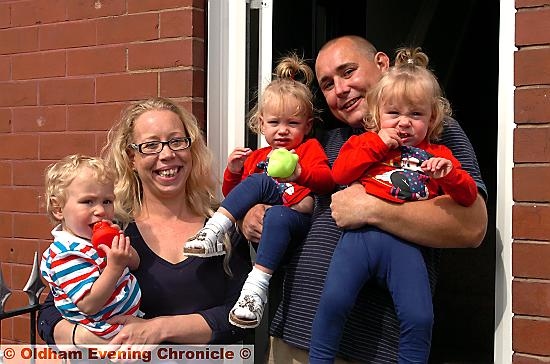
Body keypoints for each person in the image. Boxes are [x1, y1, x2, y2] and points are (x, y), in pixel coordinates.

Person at [240, 36, 487, 362]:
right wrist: (251, 216)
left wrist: (372, 208)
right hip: (292, 335)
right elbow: (288, 196)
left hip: (369, 348)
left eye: (348, 72)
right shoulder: (323, 141)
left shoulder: (432, 131)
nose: (340, 89)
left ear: (382, 64)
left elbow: (473, 226)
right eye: (328, 84)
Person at [308, 47, 478, 363]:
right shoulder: (363, 141)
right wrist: (377, 143)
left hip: (405, 247)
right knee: (332, 304)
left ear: (432, 118)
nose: (403, 123)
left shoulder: (440, 152)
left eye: (415, 115)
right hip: (358, 243)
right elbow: (341, 173)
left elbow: (469, 201)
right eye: (393, 114)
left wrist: (450, 174)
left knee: (419, 318)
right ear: (377, 116)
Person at [38, 97, 251, 347]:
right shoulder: (110, 226)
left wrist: (159, 329)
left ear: (190, 149)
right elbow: (51, 311)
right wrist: (83, 337)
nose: (167, 154)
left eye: (176, 141)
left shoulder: (222, 225)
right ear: (131, 158)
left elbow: (242, 315)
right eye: (151, 145)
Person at [183, 54, 334, 329]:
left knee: (263, 184)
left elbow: (326, 180)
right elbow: (235, 195)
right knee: (264, 198)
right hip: (274, 227)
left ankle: (216, 229)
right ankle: (255, 290)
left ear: (308, 126)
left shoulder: (308, 150)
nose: (283, 131)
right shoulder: (258, 156)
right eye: (275, 123)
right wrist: (233, 170)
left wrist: (300, 173)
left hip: (299, 217)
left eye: (293, 124)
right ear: (261, 123)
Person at [40, 154, 142, 340]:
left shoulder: (93, 240)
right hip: (104, 334)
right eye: (88, 201)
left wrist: (119, 245)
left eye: (107, 201)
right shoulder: (67, 255)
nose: (101, 211)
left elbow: (135, 263)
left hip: (128, 323)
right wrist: (114, 267)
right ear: (59, 209)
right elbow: (88, 305)